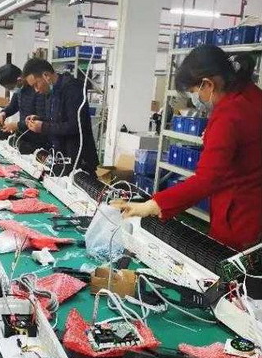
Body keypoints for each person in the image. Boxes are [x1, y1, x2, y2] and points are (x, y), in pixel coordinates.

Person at [112, 45, 262, 251]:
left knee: (227, 263)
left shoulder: (228, 115)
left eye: (193, 92)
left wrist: (153, 205)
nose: (195, 98)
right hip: (255, 208)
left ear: (207, 84)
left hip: (239, 216)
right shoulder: (252, 94)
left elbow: (206, 180)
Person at [21, 58, 98, 174]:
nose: (36, 90)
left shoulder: (72, 89)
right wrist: (40, 119)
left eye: (36, 84)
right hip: (60, 156)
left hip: (78, 159)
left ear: (46, 75)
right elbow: (57, 120)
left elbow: (75, 126)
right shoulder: (51, 92)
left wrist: (43, 127)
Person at [0, 63, 49, 154]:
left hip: (39, 139)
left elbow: (41, 117)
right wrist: (3, 113)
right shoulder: (19, 90)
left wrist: (17, 125)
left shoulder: (38, 89)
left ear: (19, 80)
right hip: (25, 135)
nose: (9, 90)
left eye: (10, 87)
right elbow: (13, 106)